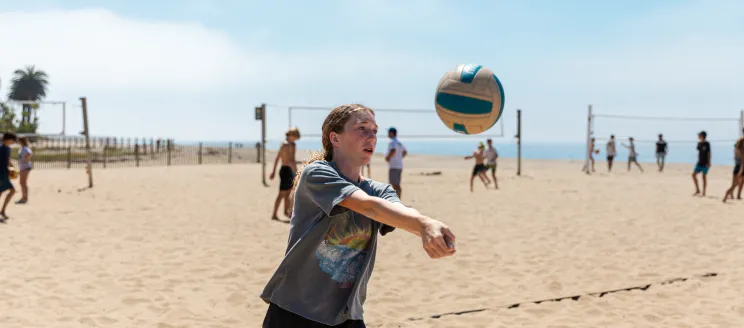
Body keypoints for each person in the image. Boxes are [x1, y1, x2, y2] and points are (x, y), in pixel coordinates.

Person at [260, 104, 456, 328]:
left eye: (374, 130)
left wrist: (427, 226)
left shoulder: (381, 190)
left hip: (346, 314)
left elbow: (400, 213)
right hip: (295, 309)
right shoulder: (316, 174)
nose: (371, 136)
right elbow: (368, 206)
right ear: (335, 138)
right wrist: (423, 224)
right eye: (362, 128)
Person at [269, 127, 300, 220]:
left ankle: (286, 212)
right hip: (285, 170)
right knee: (281, 193)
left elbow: (293, 160)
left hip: (291, 170)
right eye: (295, 136)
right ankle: (274, 214)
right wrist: (273, 171)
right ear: (291, 135)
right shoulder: (285, 145)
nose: (296, 138)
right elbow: (279, 158)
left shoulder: (293, 144)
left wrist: (296, 171)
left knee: (289, 193)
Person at [385, 127, 407, 198]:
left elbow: (393, 150)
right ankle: (398, 200)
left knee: (394, 184)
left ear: (392, 133)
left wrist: (388, 158)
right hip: (399, 165)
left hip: (394, 166)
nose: (387, 134)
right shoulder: (399, 142)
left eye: (388, 132)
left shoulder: (392, 142)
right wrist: (399, 158)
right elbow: (405, 152)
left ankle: (397, 201)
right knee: (395, 184)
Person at [0, 133, 17, 221]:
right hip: (1, 174)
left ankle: (2, 210)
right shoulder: (1, 148)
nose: (13, 142)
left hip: (5, 174)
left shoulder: (8, 149)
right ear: (7, 139)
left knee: (12, 191)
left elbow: (8, 160)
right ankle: (2, 211)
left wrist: (13, 168)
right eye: (12, 140)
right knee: (10, 191)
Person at [723, 137, 744, 203]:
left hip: (737, 167)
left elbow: (736, 159)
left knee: (735, 184)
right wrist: (741, 170)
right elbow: (743, 161)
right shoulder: (741, 150)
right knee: (736, 184)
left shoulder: (736, 149)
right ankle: (727, 194)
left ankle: (729, 195)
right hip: (741, 167)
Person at [693, 131, 711, 196]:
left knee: (704, 177)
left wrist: (709, 162)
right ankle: (697, 190)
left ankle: (704, 192)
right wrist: (698, 160)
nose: (698, 136)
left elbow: (709, 153)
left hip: (705, 163)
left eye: (699, 135)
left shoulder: (707, 143)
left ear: (702, 136)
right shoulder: (699, 143)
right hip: (699, 163)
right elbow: (699, 152)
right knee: (693, 175)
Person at [15, 137, 33, 204]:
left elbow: (30, 153)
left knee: (23, 183)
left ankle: (24, 198)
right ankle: (24, 197)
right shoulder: (22, 148)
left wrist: (25, 160)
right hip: (22, 167)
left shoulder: (25, 148)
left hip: (25, 167)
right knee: (22, 183)